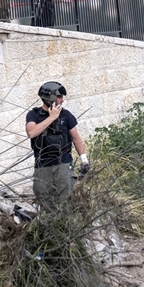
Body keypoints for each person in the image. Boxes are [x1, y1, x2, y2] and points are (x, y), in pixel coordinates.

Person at [25, 81, 89, 216]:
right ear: (50, 97)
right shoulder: (33, 115)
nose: (62, 100)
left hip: (63, 164)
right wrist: (52, 117)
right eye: (59, 97)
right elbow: (31, 133)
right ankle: (51, 232)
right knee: (46, 203)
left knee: (65, 203)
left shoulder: (66, 115)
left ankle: (67, 232)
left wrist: (84, 160)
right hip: (42, 166)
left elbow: (76, 138)